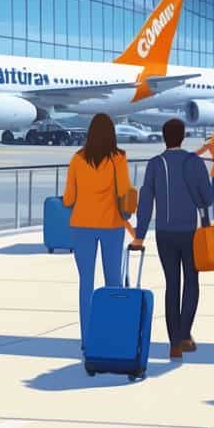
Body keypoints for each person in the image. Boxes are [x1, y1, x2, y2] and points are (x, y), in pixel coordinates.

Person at [133, 118, 213, 360]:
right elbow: (207, 198)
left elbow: (146, 202)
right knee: (191, 281)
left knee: (172, 285)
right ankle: (185, 334)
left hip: (164, 233)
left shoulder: (156, 164)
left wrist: (139, 235)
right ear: (183, 137)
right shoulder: (194, 162)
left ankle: (174, 343)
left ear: (164, 137)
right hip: (190, 231)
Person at [63, 113, 134, 348]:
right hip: (111, 225)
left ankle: (87, 338)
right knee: (113, 280)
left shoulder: (77, 159)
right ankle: (114, 335)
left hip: (81, 225)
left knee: (86, 282)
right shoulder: (119, 158)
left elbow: (69, 197)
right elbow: (124, 190)